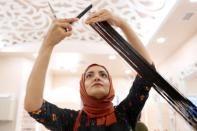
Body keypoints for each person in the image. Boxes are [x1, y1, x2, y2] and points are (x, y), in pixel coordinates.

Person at [24, 9, 154, 131]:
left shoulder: (125, 112)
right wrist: (48, 44)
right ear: (82, 87)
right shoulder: (70, 120)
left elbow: (148, 73)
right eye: (89, 75)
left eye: (103, 75)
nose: (97, 77)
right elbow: (34, 107)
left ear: (111, 85)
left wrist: (122, 24)